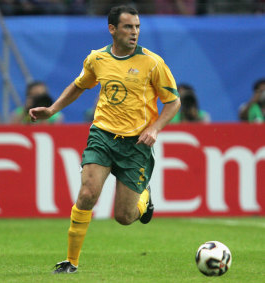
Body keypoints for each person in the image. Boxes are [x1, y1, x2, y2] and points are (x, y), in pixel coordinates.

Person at [29, 5, 181, 273]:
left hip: (135, 144)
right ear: (112, 29)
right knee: (87, 193)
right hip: (102, 135)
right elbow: (79, 85)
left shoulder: (153, 63)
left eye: (137, 27)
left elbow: (173, 102)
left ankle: (144, 200)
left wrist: (155, 128)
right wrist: (52, 109)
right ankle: (71, 262)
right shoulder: (97, 59)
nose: (134, 32)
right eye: (128, 27)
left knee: (123, 217)